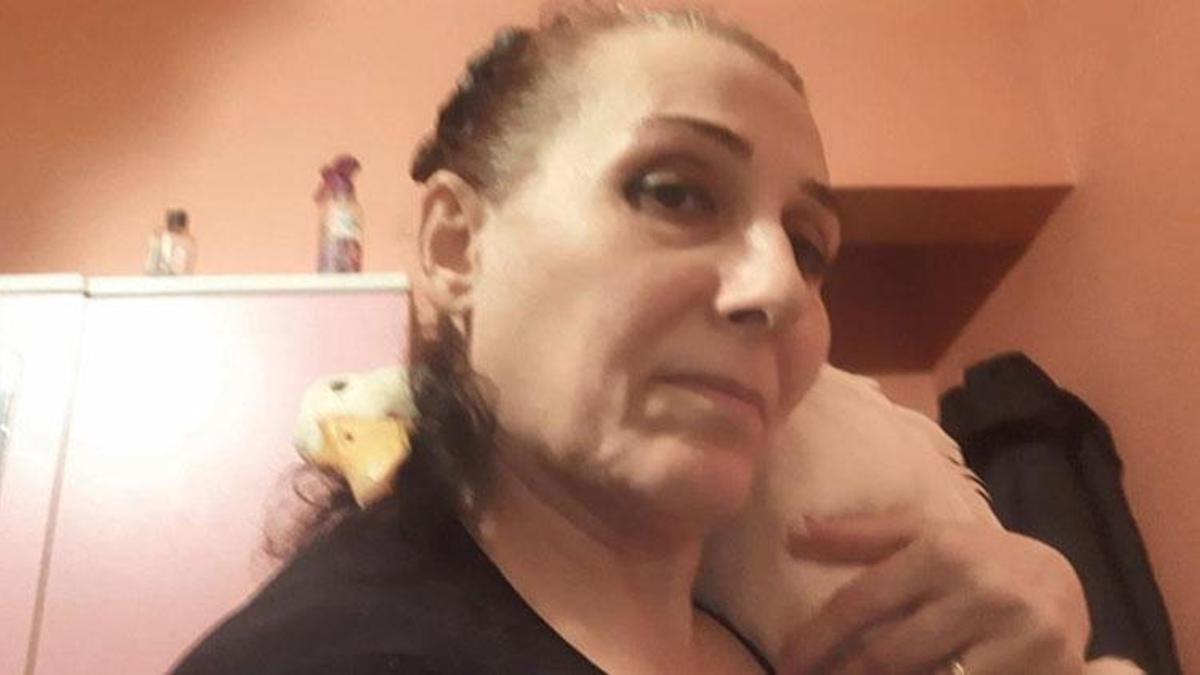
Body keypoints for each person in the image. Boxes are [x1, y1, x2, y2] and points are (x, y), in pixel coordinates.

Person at [173, 6, 1090, 674]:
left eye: (810, 247)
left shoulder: (780, 636)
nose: (779, 287)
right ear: (457, 246)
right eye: (674, 192)